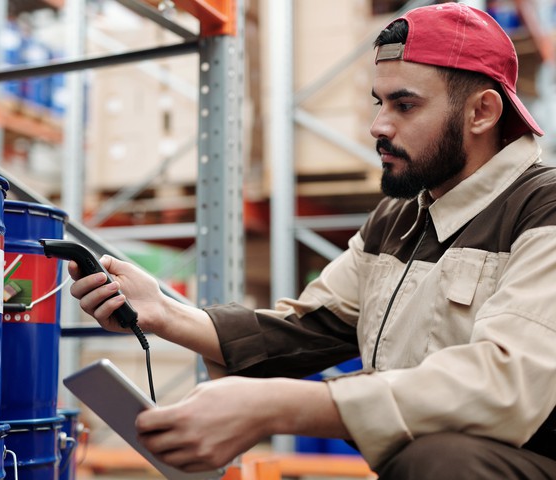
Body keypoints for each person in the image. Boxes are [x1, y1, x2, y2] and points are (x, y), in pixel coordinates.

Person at [69, 3, 556, 478]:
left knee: (438, 459)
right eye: (378, 103)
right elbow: (310, 330)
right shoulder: (397, 219)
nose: (378, 126)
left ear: (482, 113)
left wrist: (278, 407)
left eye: (405, 104)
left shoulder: (543, 209)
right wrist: (163, 311)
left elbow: (504, 384)